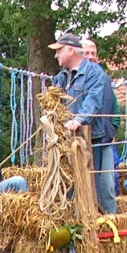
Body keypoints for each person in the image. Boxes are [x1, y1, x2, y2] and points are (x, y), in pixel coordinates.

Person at [49, 33, 112, 211]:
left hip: (93, 139)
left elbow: (93, 100)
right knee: (71, 185)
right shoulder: (60, 78)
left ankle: (100, 220)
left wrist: (78, 120)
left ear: (70, 50)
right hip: (68, 140)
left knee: (96, 186)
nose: (56, 55)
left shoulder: (94, 72)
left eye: (59, 51)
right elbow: (55, 105)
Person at [81, 37, 119, 214]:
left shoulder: (104, 79)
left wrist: (110, 130)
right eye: (86, 53)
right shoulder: (77, 79)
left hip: (104, 141)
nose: (91, 57)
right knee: (88, 186)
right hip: (83, 142)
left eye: (93, 53)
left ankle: (111, 220)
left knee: (107, 186)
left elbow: (115, 110)